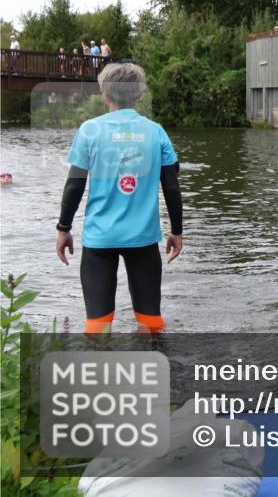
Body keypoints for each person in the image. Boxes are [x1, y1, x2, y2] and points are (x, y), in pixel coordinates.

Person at [56, 62, 183, 334]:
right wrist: (176, 231)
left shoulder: (90, 130)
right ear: (139, 95)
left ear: (105, 94)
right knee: (150, 323)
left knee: (98, 326)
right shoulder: (155, 132)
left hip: (100, 239)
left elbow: (74, 185)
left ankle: (100, 360)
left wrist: (63, 228)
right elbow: (172, 187)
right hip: (143, 238)